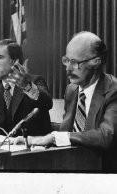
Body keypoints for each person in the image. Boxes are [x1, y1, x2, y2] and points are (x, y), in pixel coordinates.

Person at [14, 31, 117, 171]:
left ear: (96, 62)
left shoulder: (113, 91)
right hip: (71, 165)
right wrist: (33, 138)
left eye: (75, 63)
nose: (68, 68)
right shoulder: (72, 90)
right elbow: (67, 130)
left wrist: (54, 137)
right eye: (67, 60)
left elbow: (105, 136)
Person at [0, 39, 53, 138]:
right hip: (3, 149)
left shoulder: (35, 81)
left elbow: (47, 103)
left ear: (14, 61)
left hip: (32, 149)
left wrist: (27, 87)